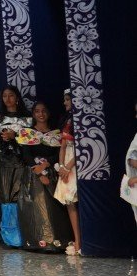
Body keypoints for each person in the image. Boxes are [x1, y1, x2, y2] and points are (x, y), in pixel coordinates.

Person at [17, 101, 73, 253]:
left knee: (55, 207)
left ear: (48, 113)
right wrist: (39, 171)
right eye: (37, 111)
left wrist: (47, 164)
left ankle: (58, 241)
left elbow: (59, 153)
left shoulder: (56, 133)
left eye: (43, 111)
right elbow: (26, 155)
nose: (41, 114)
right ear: (33, 114)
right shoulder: (27, 133)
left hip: (52, 173)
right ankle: (38, 241)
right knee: (36, 206)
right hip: (33, 174)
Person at [0, 85, 30, 209]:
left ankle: (24, 220)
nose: (7, 99)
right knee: (6, 194)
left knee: (22, 192)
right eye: (4, 96)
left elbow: (32, 138)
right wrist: (3, 136)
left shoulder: (27, 116)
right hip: (4, 159)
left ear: (17, 97)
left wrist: (15, 136)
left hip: (22, 159)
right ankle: (9, 222)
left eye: (11, 95)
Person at [54, 90, 80, 255]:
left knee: (79, 199)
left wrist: (69, 166)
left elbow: (83, 147)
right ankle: (77, 240)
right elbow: (63, 145)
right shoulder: (66, 120)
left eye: (68, 99)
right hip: (67, 162)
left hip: (79, 161)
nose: (65, 103)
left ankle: (84, 239)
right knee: (69, 201)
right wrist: (62, 166)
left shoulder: (82, 120)